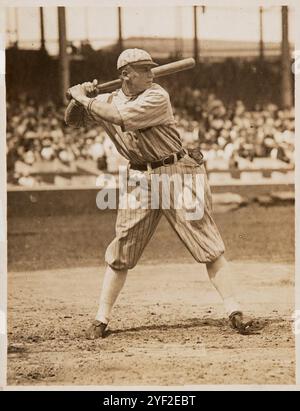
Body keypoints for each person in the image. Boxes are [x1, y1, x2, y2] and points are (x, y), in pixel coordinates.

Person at [65, 48, 257, 338]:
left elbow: (116, 116)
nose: (151, 73)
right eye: (144, 69)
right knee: (122, 247)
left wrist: (84, 98)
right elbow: (73, 119)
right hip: (139, 177)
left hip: (177, 172)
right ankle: (101, 318)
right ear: (126, 75)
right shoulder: (106, 98)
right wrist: (80, 97)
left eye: (150, 68)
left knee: (207, 244)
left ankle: (235, 310)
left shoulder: (157, 96)